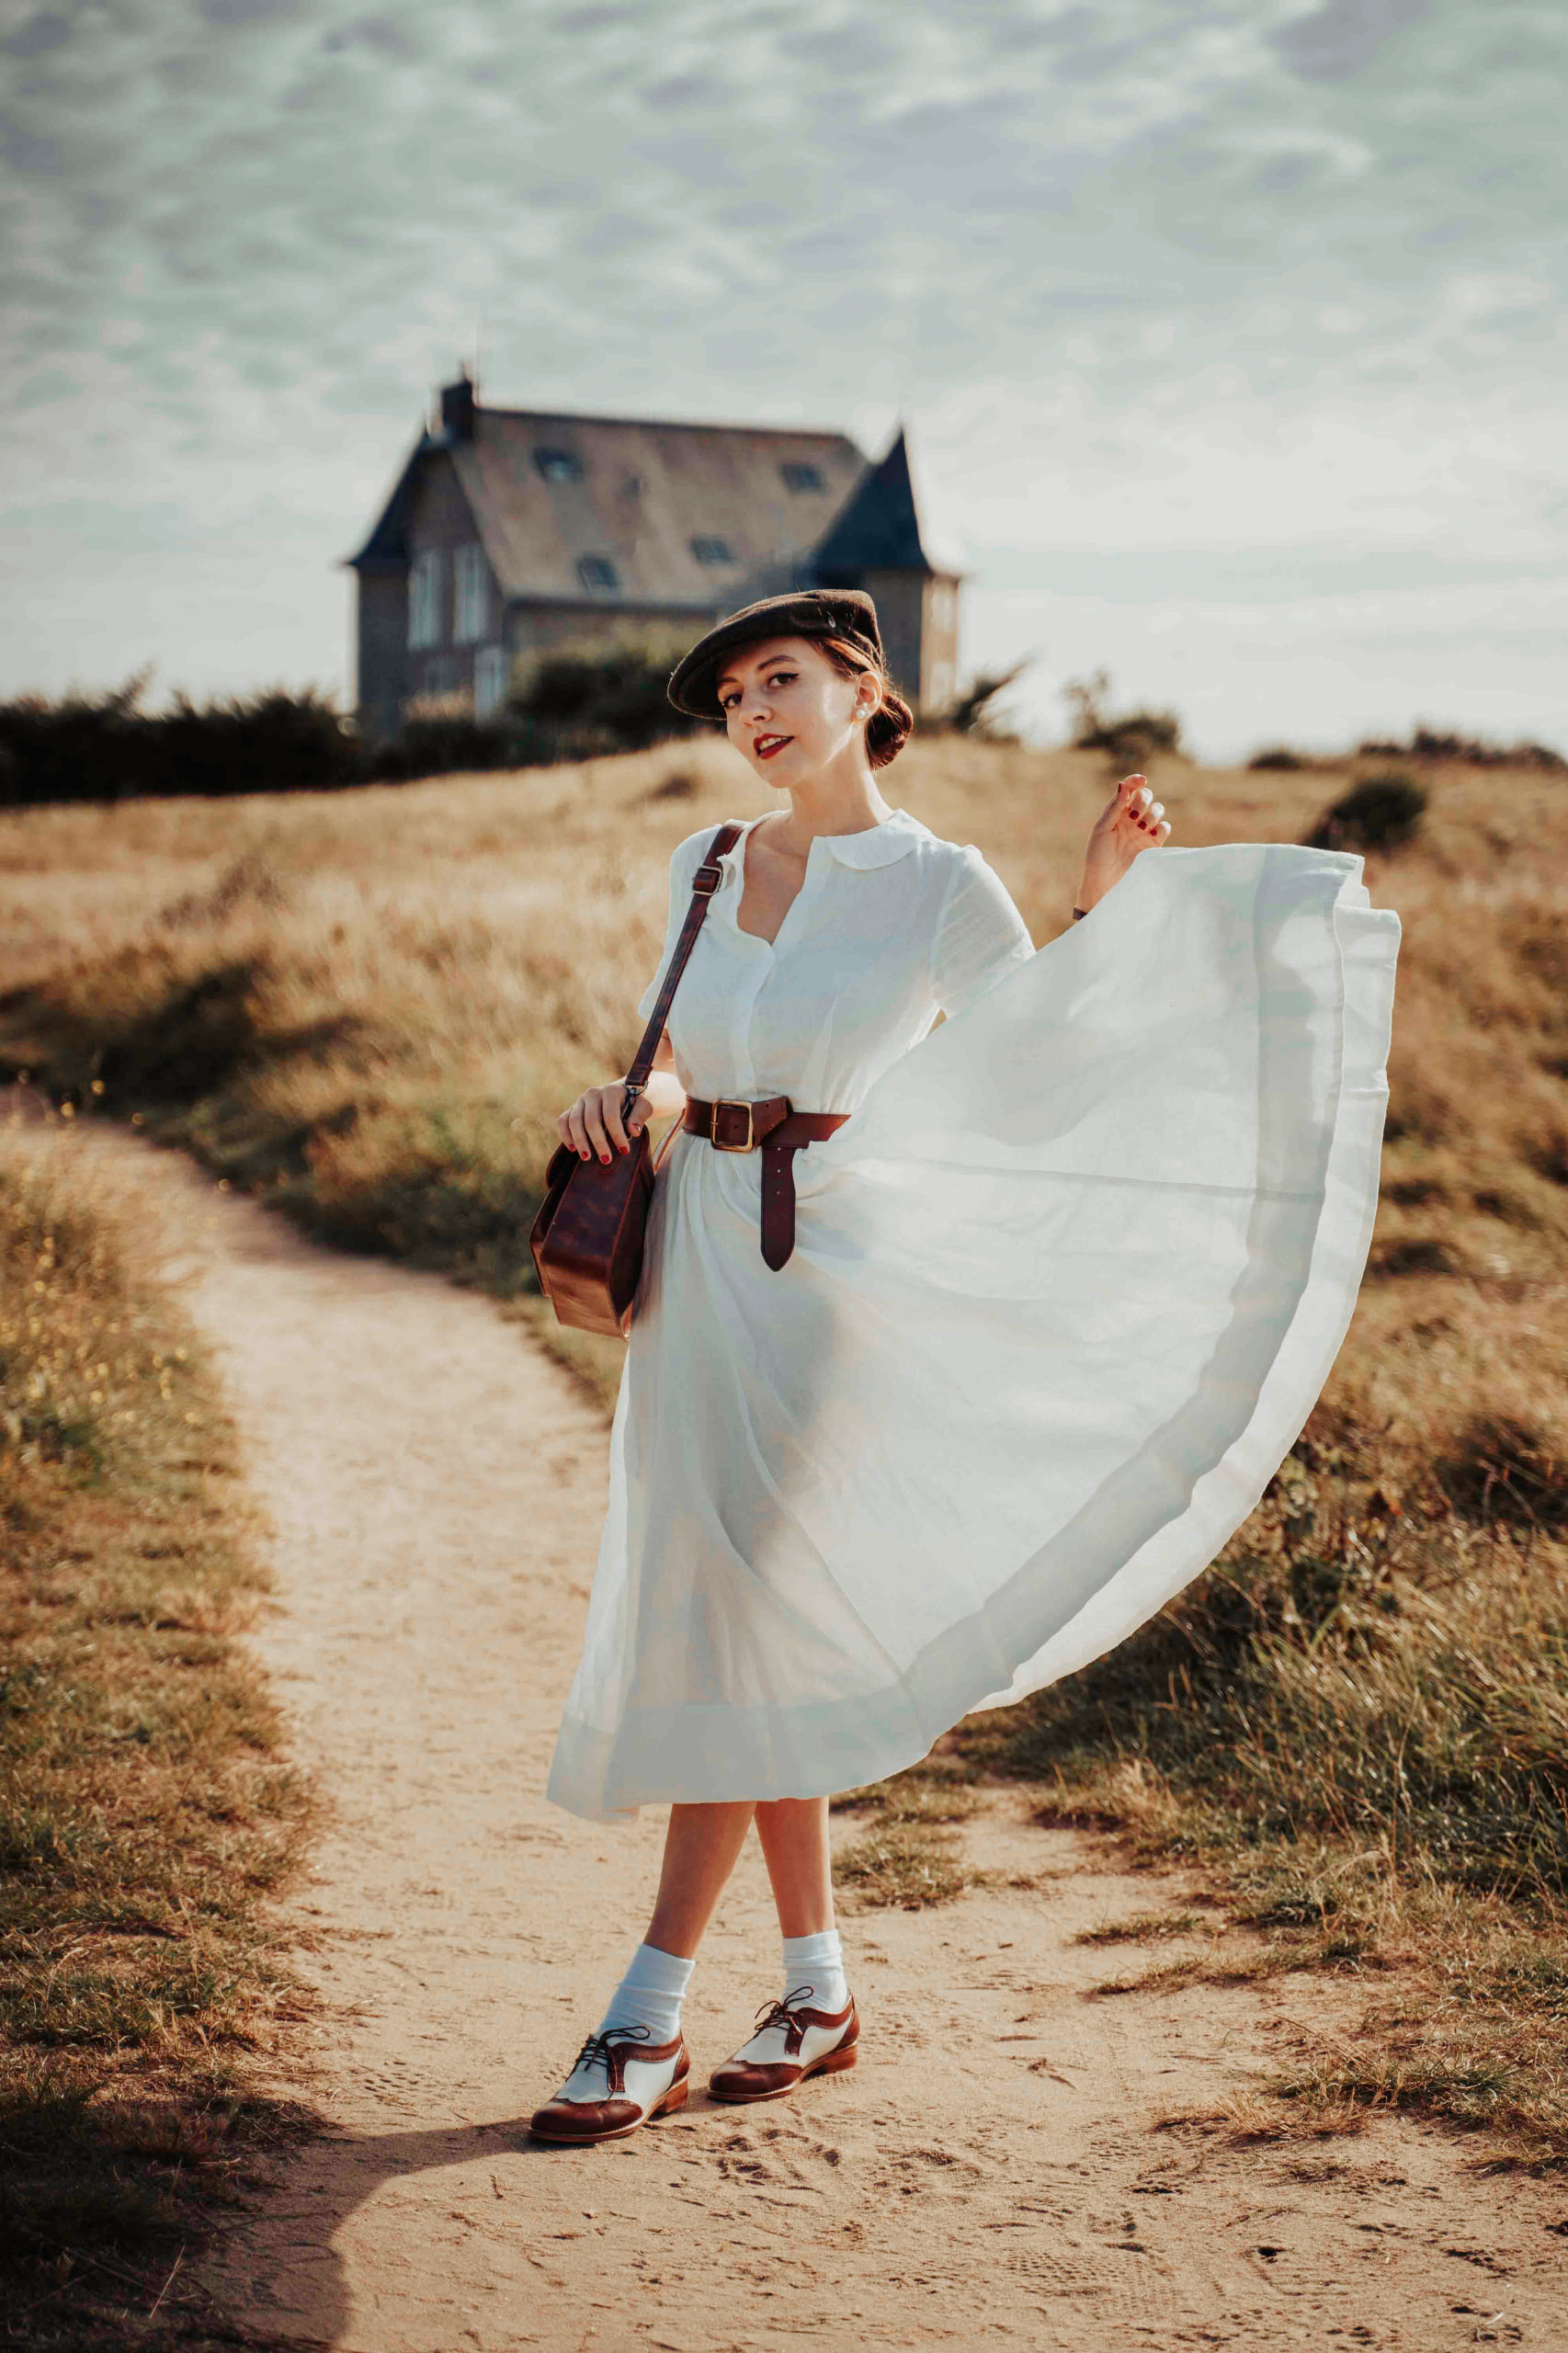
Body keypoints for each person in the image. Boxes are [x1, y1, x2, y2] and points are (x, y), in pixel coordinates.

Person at [528, 588, 1399, 2146]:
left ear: (867, 690)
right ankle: (818, 1987)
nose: (751, 713)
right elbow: (674, 1043)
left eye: (779, 680)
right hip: (699, 1273)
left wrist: (1100, 909)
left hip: (830, 1278)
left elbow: (1036, 1065)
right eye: (730, 695)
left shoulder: (940, 883)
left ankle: (642, 2012)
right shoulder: (706, 860)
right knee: (749, 1619)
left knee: (733, 1618)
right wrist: (637, 1091)